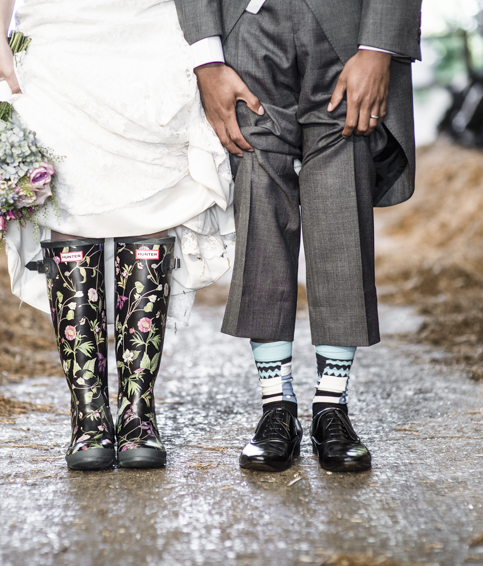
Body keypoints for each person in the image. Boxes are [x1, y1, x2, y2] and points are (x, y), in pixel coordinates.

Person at [0, 0, 235, 471]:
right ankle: (89, 416)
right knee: (68, 204)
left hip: (148, 31)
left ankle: (139, 411)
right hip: (59, 35)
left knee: (150, 200)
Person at [173, 0, 422, 472]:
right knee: (258, 196)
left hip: (348, 28)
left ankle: (332, 403)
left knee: (340, 201)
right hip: (246, 29)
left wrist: (378, 45)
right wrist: (206, 57)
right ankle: (276, 405)